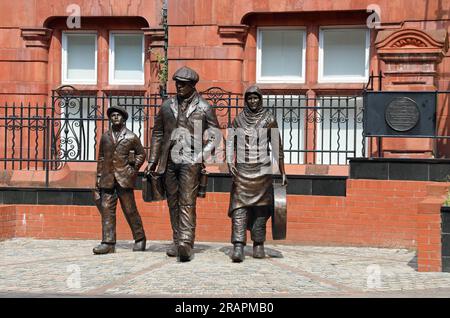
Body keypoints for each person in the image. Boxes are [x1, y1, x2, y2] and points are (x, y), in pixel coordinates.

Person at [145, 66, 221, 262]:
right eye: (177, 83)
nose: (178, 86)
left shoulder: (204, 107)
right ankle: (177, 238)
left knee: (187, 200)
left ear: (192, 85)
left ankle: (186, 242)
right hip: (168, 158)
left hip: (190, 158)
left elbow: (215, 136)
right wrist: (152, 160)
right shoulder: (166, 105)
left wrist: (200, 157)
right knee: (173, 201)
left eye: (183, 84)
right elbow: (158, 133)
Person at [227, 85, 287, 262]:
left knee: (261, 208)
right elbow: (230, 142)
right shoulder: (238, 119)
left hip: (262, 170)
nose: (253, 101)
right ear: (246, 100)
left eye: (256, 98)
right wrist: (230, 161)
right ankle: (238, 245)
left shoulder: (269, 119)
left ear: (260, 99)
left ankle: (258, 243)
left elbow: (277, 146)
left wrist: (283, 171)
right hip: (243, 170)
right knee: (239, 207)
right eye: (249, 98)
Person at [93, 105, 147, 254]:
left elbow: (141, 154)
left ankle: (140, 238)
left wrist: (133, 169)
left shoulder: (131, 137)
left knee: (130, 210)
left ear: (123, 119)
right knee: (106, 209)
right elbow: (101, 158)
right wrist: (98, 178)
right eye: (113, 115)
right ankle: (108, 242)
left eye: (118, 115)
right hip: (107, 178)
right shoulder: (105, 136)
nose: (115, 117)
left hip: (124, 178)